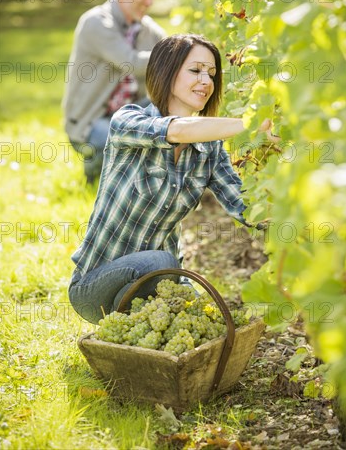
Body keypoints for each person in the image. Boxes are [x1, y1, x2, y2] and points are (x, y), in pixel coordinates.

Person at [68, 34, 277, 325]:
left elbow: (243, 206)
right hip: (94, 287)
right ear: (167, 71)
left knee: (207, 313)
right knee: (162, 262)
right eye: (195, 70)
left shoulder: (208, 150)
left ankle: (136, 333)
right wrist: (253, 125)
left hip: (155, 280)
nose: (206, 80)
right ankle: (121, 325)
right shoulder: (128, 122)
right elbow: (176, 131)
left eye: (212, 74)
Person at [62, 0, 166, 183]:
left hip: (127, 113)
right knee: (134, 135)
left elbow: (169, 51)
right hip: (90, 123)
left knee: (168, 110)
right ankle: (97, 169)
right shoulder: (96, 22)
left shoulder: (148, 29)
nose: (150, 1)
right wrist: (175, 56)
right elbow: (131, 62)